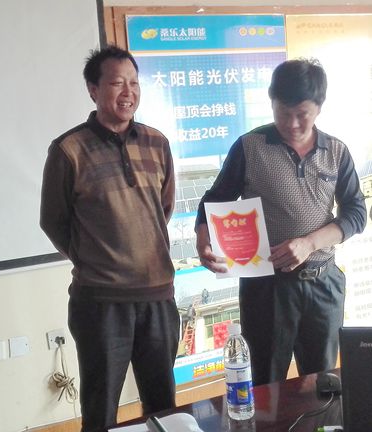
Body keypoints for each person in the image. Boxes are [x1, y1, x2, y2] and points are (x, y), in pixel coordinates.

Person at [195, 58, 367, 386]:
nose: (292, 124)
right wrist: (204, 238)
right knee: (266, 383)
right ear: (271, 102)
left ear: (319, 107)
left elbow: (356, 213)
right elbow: (215, 200)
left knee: (321, 383)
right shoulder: (250, 146)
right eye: (282, 113)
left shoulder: (336, 151)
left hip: (323, 284)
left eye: (302, 114)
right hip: (267, 288)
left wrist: (309, 243)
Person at [40, 45, 179, 432]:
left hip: (157, 296)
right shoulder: (69, 149)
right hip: (100, 303)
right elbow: (53, 221)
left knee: (164, 407)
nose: (128, 92)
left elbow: (162, 208)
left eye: (134, 83)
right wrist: (96, 259)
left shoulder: (157, 142)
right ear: (93, 89)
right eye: (117, 83)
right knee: (101, 409)